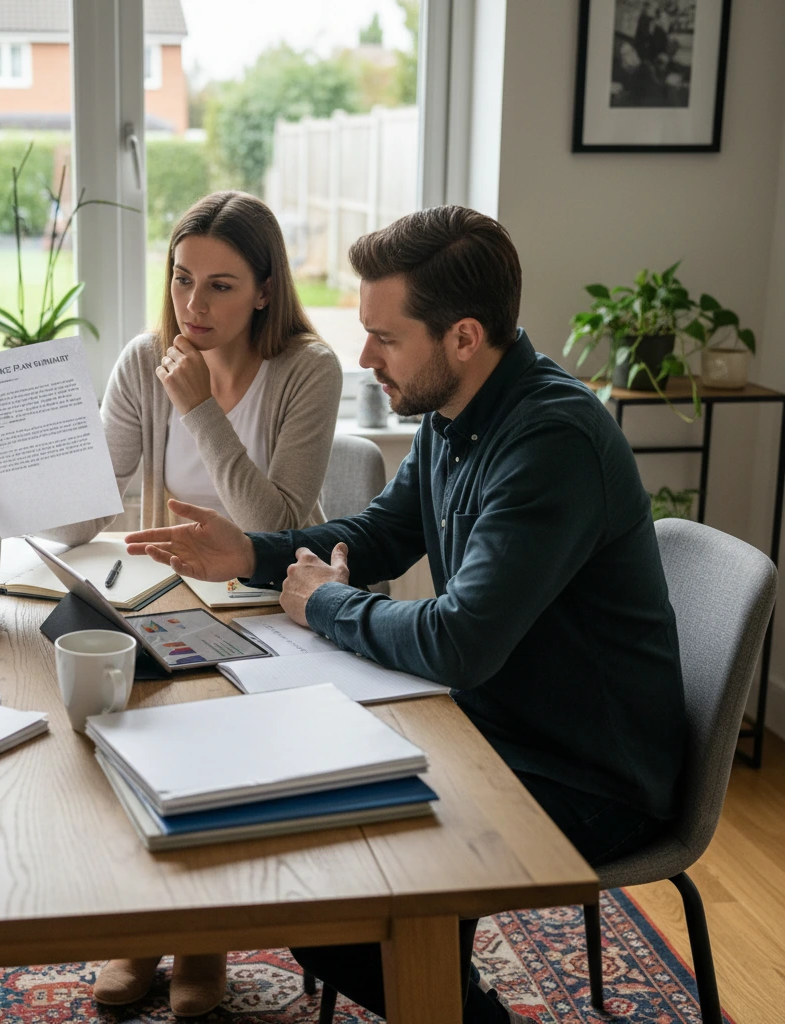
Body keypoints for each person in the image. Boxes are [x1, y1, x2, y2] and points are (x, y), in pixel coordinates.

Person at [123, 205, 687, 1024]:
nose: (364, 357)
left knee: (325, 896)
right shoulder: (457, 413)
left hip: (585, 773)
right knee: (302, 853)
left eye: (386, 338)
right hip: (483, 727)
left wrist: (327, 603)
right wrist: (247, 554)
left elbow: (457, 643)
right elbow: (380, 536)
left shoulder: (551, 442)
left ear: (462, 337)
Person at [0, 190, 343, 1016]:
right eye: (181, 279)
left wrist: (200, 408)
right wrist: (3, 491)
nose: (192, 306)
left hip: (263, 605)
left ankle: (202, 945)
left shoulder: (308, 369)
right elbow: (89, 505)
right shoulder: (144, 359)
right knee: (105, 718)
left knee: (203, 734)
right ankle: (141, 927)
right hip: (162, 596)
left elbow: (278, 526)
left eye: (221, 286)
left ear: (266, 290)